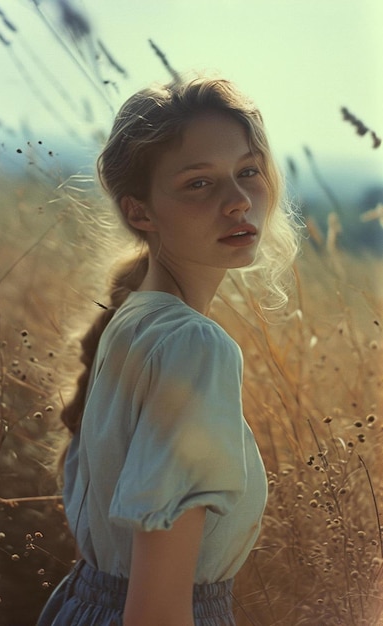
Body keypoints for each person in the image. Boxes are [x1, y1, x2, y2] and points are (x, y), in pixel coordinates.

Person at [37, 76, 299, 626]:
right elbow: (156, 610)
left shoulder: (134, 319)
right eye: (199, 183)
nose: (237, 201)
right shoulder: (191, 346)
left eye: (248, 171)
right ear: (140, 212)